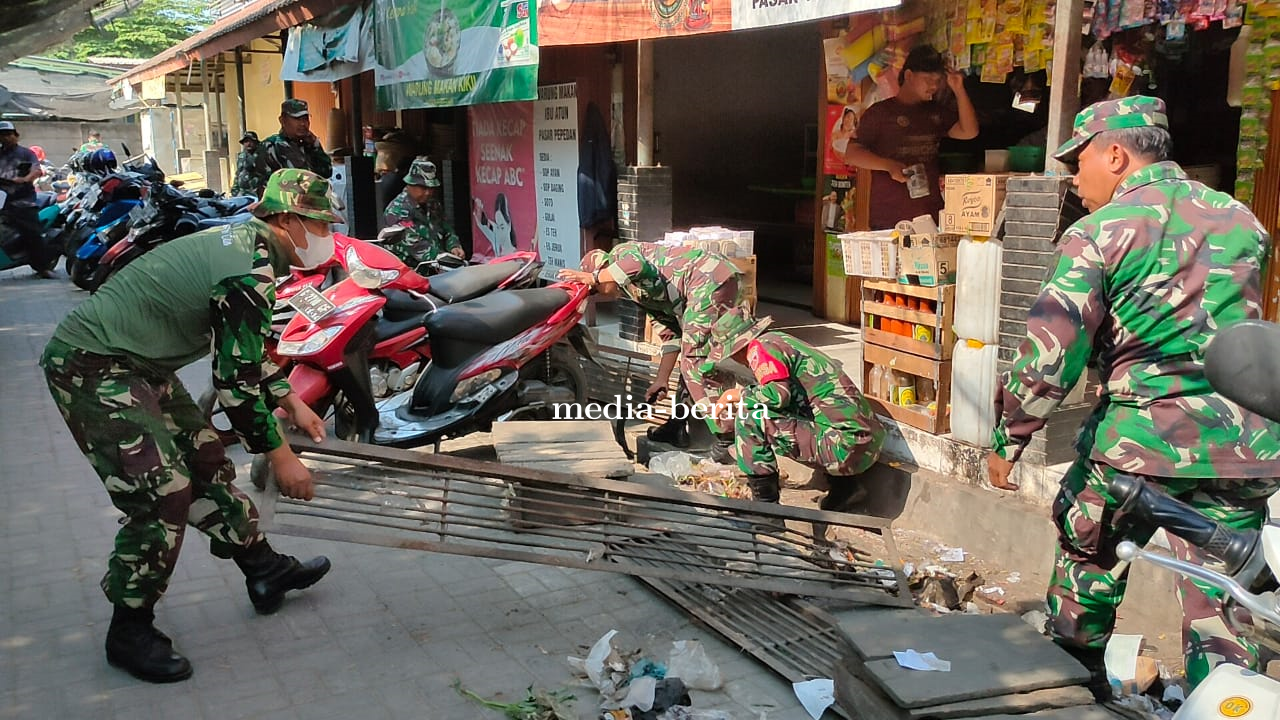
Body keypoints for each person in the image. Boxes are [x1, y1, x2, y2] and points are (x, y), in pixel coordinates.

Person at [986, 95, 1280, 695]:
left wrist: (1007, 440)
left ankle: (1073, 692)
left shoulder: (1100, 233)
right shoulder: (1245, 222)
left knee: (1086, 564)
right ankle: (1225, 700)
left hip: (1140, 446)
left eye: (1080, 160)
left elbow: (1049, 356)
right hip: (1242, 447)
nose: (1075, 176)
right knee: (1225, 601)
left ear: (1115, 154)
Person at [40, 168, 341, 684]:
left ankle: (265, 572)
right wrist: (282, 456)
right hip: (93, 365)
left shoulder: (249, 245)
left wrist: (290, 399)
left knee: (206, 460)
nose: (325, 237)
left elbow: (242, 353)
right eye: (319, 223)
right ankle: (129, 631)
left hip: (139, 366)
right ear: (288, 218)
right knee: (163, 495)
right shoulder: (249, 269)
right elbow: (235, 384)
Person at [559, 242, 746, 455]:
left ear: (603, 268)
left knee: (695, 360)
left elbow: (637, 264)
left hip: (709, 281)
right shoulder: (635, 292)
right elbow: (672, 335)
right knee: (690, 357)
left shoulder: (622, 254)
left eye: (595, 288)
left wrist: (593, 278)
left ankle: (726, 437)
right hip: (708, 286)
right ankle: (677, 425)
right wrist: (661, 379)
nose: (597, 292)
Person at [706, 308, 885, 511]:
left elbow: (777, 395)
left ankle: (766, 509)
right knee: (784, 409)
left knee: (750, 417)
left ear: (737, 348)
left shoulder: (760, 349)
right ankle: (845, 489)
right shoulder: (778, 341)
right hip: (863, 442)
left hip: (846, 446)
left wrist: (734, 396)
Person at [843, 45, 978, 230]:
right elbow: (851, 154)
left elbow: (969, 132)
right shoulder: (880, 113)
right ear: (908, 76)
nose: (934, 86)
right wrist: (889, 166)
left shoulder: (935, 112)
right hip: (890, 217)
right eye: (928, 79)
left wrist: (959, 89)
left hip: (930, 215)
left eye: (938, 80)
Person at [382, 157, 463, 265]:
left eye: (431, 188)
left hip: (437, 267)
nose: (428, 193)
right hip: (410, 271)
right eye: (423, 188)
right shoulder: (397, 211)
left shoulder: (433, 204)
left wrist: (454, 246)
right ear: (410, 185)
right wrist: (445, 260)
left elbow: (446, 229)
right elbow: (415, 245)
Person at [0, 120, 54, 278]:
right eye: (2, 135)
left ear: (16, 136)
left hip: (23, 200)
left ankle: (42, 267)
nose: (6, 138)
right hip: (3, 199)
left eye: (9, 134)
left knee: (32, 232)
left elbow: (37, 170)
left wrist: (25, 179)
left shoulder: (26, 153)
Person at [248, 99, 332, 196]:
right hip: (284, 208)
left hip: (311, 206)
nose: (303, 124)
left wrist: (315, 145)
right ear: (282, 120)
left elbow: (326, 172)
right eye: (297, 119)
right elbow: (261, 187)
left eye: (305, 118)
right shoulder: (270, 146)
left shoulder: (308, 145)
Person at [473, 192, 517, 258]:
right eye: (497, 227)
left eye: (502, 227)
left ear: (509, 226)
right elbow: (481, 224)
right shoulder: (495, 238)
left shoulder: (516, 254)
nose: (499, 232)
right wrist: (479, 207)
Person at [230, 131, 261, 197]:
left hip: (255, 193)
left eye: (251, 141)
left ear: (256, 142)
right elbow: (238, 173)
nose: (248, 144)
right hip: (242, 192)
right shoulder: (241, 156)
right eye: (246, 141)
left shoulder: (261, 156)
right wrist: (235, 189)